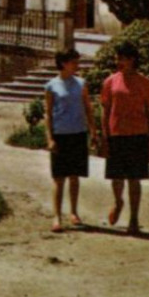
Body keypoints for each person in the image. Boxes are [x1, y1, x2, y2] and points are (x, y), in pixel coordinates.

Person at [100, 39, 149, 235]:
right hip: (116, 134)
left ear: (132, 60)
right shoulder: (110, 82)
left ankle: (134, 219)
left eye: (122, 58)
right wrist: (104, 136)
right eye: (117, 58)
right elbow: (105, 111)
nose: (118, 61)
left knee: (134, 179)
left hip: (138, 134)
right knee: (116, 178)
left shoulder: (144, 82)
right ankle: (118, 202)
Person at [44, 48, 98, 232]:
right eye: (74, 62)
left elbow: (88, 109)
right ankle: (57, 216)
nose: (77, 65)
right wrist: (50, 138)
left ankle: (74, 212)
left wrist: (93, 132)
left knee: (75, 176)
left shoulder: (81, 83)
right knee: (59, 178)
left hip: (78, 133)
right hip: (60, 134)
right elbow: (48, 114)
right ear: (63, 63)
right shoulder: (51, 86)